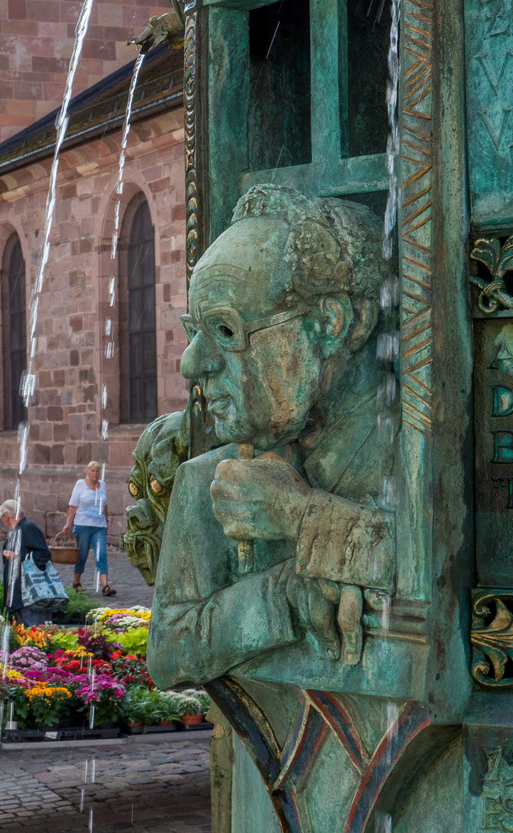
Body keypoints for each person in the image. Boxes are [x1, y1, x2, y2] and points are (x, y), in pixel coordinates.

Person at [149, 184, 396, 690]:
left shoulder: (416, 454)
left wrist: (302, 516)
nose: (191, 364)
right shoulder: (209, 482)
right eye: (195, 331)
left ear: (330, 323)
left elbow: (451, 565)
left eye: (225, 331)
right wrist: (283, 596)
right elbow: (169, 651)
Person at [59, 461, 114, 596]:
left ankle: (105, 586)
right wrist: (68, 524)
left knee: (101, 555)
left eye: (97, 471)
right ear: (87, 471)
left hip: (99, 527)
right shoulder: (80, 484)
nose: (95, 473)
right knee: (82, 555)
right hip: (82, 525)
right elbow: (73, 506)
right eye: (92, 470)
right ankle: (76, 582)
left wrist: (106, 521)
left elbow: (104, 505)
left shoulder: (103, 485)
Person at [0, 499, 53, 626]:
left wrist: (18, 557)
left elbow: (43, 554)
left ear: (6, 516)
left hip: (31, 595)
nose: (3, 523)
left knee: (35, 631)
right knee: (27, 633)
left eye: (2, 519)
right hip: (22, 596)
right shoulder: (17, 530)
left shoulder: (28, 528)